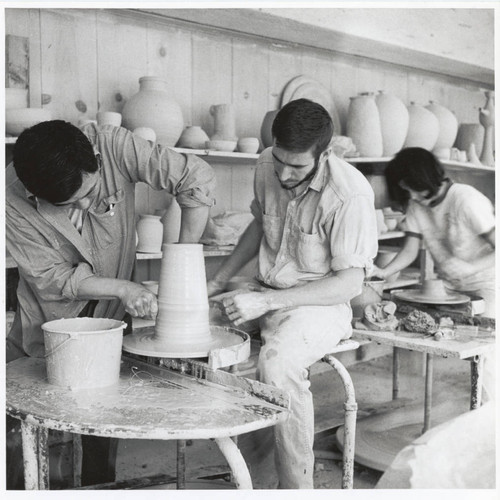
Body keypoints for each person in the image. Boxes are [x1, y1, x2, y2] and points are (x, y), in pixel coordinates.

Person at [5, 120, 216, 487]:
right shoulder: (11, 196)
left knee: (102, 428)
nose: (87, 204)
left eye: (91, 191)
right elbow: (53, 279)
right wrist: (122, 288)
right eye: (73, 203)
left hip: (110, 323)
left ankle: (98, 487)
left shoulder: (115, 146)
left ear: (96, 158)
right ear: (34, 193)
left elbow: (196, 177)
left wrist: (183, 256)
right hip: (48, 323)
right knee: (35, 432)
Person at [207, 98, 378, 488]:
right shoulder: (268, 161)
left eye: (297, 165)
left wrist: (265, 302)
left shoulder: (350, 194)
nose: (283, 173)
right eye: (279, 159)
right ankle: (251, 476)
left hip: (320, 302)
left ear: (326, 153)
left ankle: (296, 488)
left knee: (277, 362)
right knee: (202, 338)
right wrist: (218, 282)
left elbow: (349, 285)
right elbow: (258, 225)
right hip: (265, 290)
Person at [372, 147, 496, 319]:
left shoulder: (466, 200)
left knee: (483, 331)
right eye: (406, 190)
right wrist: (384, 272)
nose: (412, 196)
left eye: (413, 188)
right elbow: (410, 250)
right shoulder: (416, 205)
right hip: (449, 286)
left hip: (486, 283)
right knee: (419, 321)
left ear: (425, 178)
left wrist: (471, 267)